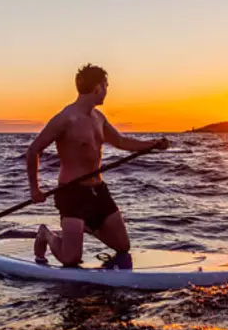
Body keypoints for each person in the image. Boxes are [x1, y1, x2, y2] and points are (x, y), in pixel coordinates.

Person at [25, 64, 169, 268]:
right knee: (71, 259)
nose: (107, 91)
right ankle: (45, 234)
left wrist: (153, 145)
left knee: (122, 246)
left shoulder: (98, 118)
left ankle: (87, 227)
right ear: (97, 88)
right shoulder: (65, 119)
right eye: (106, 86)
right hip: (72, 193)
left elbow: (121, 142)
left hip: (98, 191)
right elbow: (33, 151)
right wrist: (34, 189)